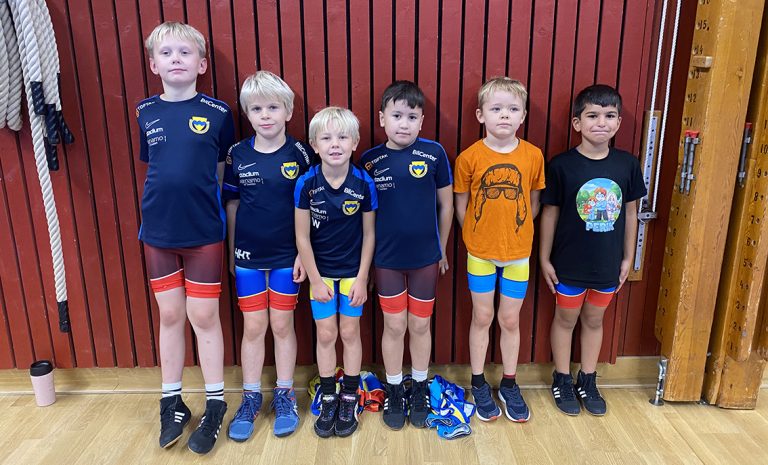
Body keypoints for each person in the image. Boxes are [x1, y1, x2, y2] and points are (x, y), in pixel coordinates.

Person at [137, 22, 234, 454]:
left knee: (204, 316)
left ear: (202, 64)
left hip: (204, 232)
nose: (176, 59)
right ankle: (171, 402)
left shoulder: (219, 112)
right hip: (159, 231)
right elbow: (154, 165)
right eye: (166, 53)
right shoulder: (144, 112)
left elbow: (220, 171)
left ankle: (215, 404)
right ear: (154, 65)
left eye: (185, 52)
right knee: (171, 315)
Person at [539, 84, 646, 416]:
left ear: (619, 122)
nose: (601, 122)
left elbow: (631, 213)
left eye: (610, 115)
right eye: (593, 115)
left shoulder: (627, 165)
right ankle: (562, 378)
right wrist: (543, 257)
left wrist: (628, 257)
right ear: (577, 123)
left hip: (607, 264)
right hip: (569, 263)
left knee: (594, 319)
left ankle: (588, 378)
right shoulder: (561, 165)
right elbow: (550, 213)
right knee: (566, 318)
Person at [222, 71, 313, 440]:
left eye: (273, 107)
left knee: (281, 325)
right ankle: (250, 398)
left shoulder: (301, 154)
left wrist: (305, 255)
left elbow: (312, 207)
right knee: (254, 327)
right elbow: (231, 204)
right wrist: (233, 251)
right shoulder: (238, 154)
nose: (265, 115)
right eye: (257, 109)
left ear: (288, 111)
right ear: (247, 113)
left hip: (287, 257)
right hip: (247, 257)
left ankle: (285, 394)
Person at [359, 81, 453, 430]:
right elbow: (364, 218)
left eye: (412, 117)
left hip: (425, 259)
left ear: (422, 121)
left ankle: (420, 386)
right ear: (382, 118)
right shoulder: (369, 161)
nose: (404, 123)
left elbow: (446, 206)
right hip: (387, 261)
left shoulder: (435, 154)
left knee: (420, 324)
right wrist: (367, 264)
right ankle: (396, 388)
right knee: (395, 325)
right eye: (397, 115)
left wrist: (441, 248)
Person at [454, 77, 545, 423]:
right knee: (482, 317)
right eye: (496, 109)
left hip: (518, 254)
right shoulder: (469, 157)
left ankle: (509, 382)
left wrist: (513, 233)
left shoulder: (533, 155)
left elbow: (533, 202)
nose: (504, 115)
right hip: (480, 253)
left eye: (512, 109)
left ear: (522, 116)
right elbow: (461, 204)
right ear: (481, 115)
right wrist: (477, 237)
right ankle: (478, 381)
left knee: (509, 319)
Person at [294, 107, 377, 438]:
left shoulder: (364, 183)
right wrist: (314, 280)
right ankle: (328, 395)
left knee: (350, 332)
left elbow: (369, 234)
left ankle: (350, 396)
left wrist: (363, 278)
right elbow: (301, 236)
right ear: (315, 145)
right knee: (326, 333)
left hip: (353, 274)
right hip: (322, 275)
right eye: (326, 138)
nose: (335, 144)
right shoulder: (306, 183)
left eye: (343, 137)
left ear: (355, 142)